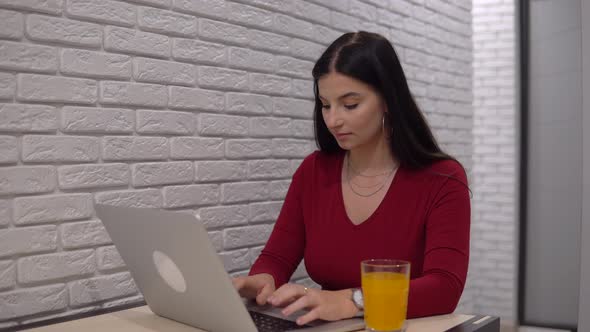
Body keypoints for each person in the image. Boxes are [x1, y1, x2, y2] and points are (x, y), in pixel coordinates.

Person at [232, 31, 470, 326]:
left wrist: (352, 301)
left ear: (387, 99)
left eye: (350, 104)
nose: (333, 120)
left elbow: (444, 287)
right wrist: (262, 280)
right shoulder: (314, 171)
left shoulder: (443, 179)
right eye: (325, 104)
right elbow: (277, 257)